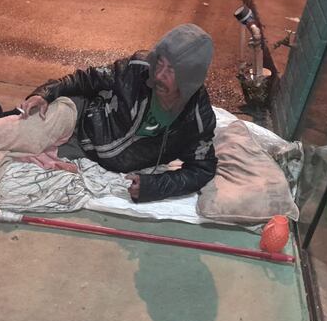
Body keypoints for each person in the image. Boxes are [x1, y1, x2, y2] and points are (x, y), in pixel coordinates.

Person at [19, 23, 218, 203]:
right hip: (79, 121)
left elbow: (201, 170)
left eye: (172, 70)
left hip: (83, 156)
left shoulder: (197, 118)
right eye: (160, 63)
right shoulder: (138, 69)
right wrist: (45, 94)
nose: (159, 75)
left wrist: (154, 186)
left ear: (190, 76)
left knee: (16, 154)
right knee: (15, 129)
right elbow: (87, 79)